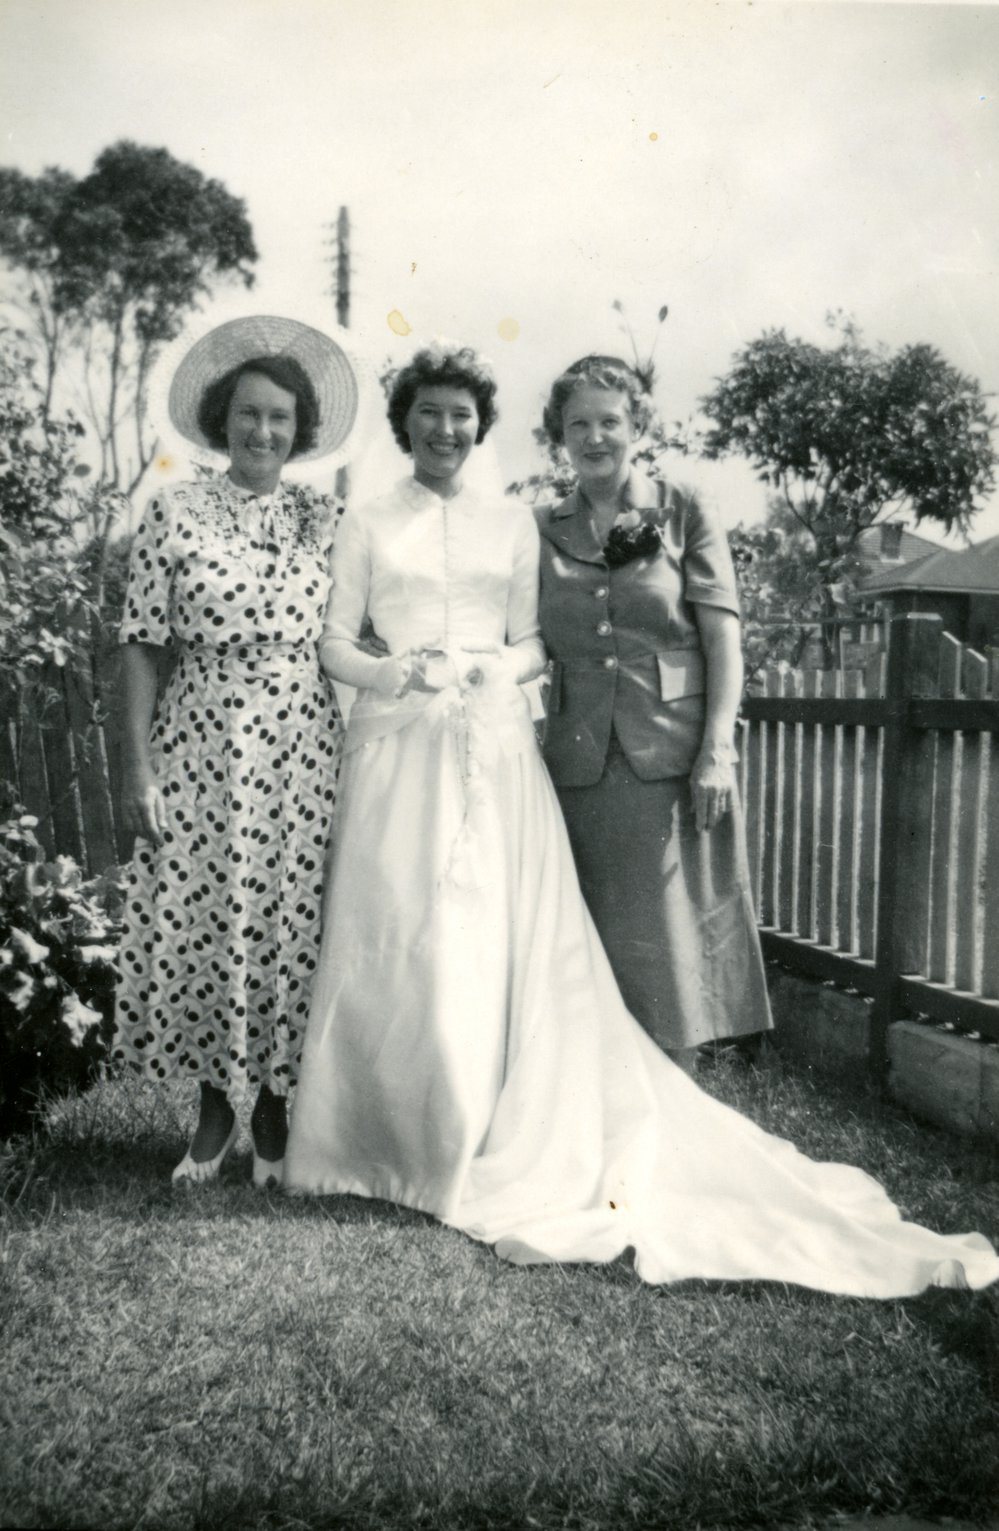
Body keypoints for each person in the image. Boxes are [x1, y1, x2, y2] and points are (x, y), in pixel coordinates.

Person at [285, 341, 998, 1298]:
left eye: (462, 414)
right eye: (428, 412)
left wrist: (516, 676)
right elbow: (341, 637)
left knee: (517, 936)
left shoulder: (528, 524)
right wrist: (392, 671)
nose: (445, 428)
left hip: (517, 743)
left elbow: (551, 639)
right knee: (402, 931)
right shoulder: (391, 520)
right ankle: (383, 1134)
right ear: (403, 420)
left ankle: (517, 1123)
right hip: (426, 747)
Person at [113, 313, 359, 1187]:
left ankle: (281, 1113)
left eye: (281, 419)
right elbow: (142, 640)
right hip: (203, 742)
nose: (264, 432)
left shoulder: (327, 520)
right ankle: (219, 1112)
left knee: (294, 920)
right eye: (250, 414)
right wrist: (138, 766)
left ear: (302, 432)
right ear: (223, 420)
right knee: (215, 917)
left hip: (301, 743)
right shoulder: (174, 511)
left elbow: (360, 630)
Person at [535, 354, 770, 1070]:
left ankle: (676, 1103)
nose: (595, 437)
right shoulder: (542, 526)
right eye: (579, 424)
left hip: (671, 751)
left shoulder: (683, 506)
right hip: (576, 758)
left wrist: (717, 750)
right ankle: (602, 1106)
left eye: (610, 421)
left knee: (669, 939)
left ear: (637, 425)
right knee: (598, 935)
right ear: (559, 436)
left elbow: (721, 632)